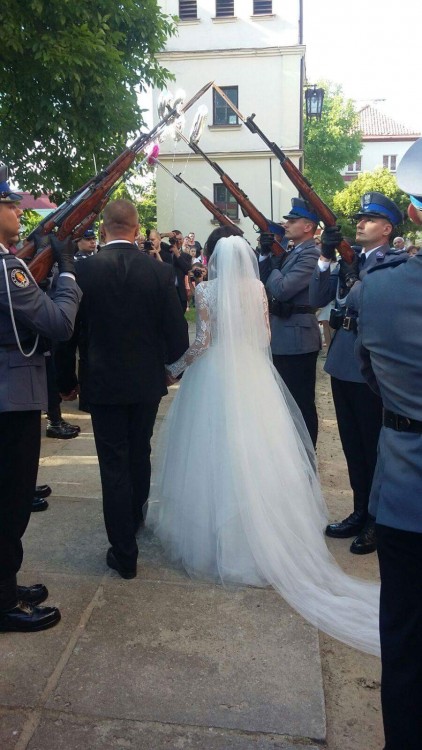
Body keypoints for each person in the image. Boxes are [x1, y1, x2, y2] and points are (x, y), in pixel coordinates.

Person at [146, 228, 380, 656]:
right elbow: (265, 338)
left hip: (215, 375)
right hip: (254, 373)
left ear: (215, 259)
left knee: (212, 453)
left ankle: (216, 542)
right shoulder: (257, 289)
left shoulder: (207, 291)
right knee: (259, 453)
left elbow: (203, 342)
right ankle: (265, 536)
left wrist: (175, 367)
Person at [60, 200, 189, 580]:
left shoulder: (83, 271)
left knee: (114, 462)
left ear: (103, 229)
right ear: (136, 230)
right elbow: (177, 333)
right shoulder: (159, 271)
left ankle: (123, 550)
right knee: (139, 451)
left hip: (103, 381)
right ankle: (133, 519)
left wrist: (65, 379)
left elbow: (68, 332)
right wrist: (171, 368)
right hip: (146, 381)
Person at [356, 138, 422, 750]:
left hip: (405, 488)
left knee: (403, 639)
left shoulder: (377, 289)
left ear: (414, 213)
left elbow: (373, 377)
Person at [0, 169, 81, 632]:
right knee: (10, 502)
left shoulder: (11, 264)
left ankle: (5, 584)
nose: (17, 209)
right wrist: (66, 272)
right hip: (10, 398)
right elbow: (58, 324)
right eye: (9, 203)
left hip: (9, 393)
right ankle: (3, 601)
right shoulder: (7, 268)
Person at [309, 192, 404, 555]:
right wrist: (325, 257)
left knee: (373, 446)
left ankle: (378, 520)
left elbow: (378, 305)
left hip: (372, 370)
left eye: (369, 219)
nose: (360, 223)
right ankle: (360, 510)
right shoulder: (349, 259)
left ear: (387, 229)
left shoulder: (392, 262)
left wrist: (355, 277)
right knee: (352, 446)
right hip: (343, 363)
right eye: (360, 219)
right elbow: (316, 298)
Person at [258, 198, 321, 447]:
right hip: (283, 334)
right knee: (283, 402)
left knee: (300, 403)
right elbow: (263, 284)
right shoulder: (293, 252)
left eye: (293, 221)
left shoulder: (311, 254)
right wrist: (266, 255)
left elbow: (283, 289)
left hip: (297, 338)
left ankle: (307, 454)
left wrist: (274, 266)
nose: (286, 224)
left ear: (308, 226)